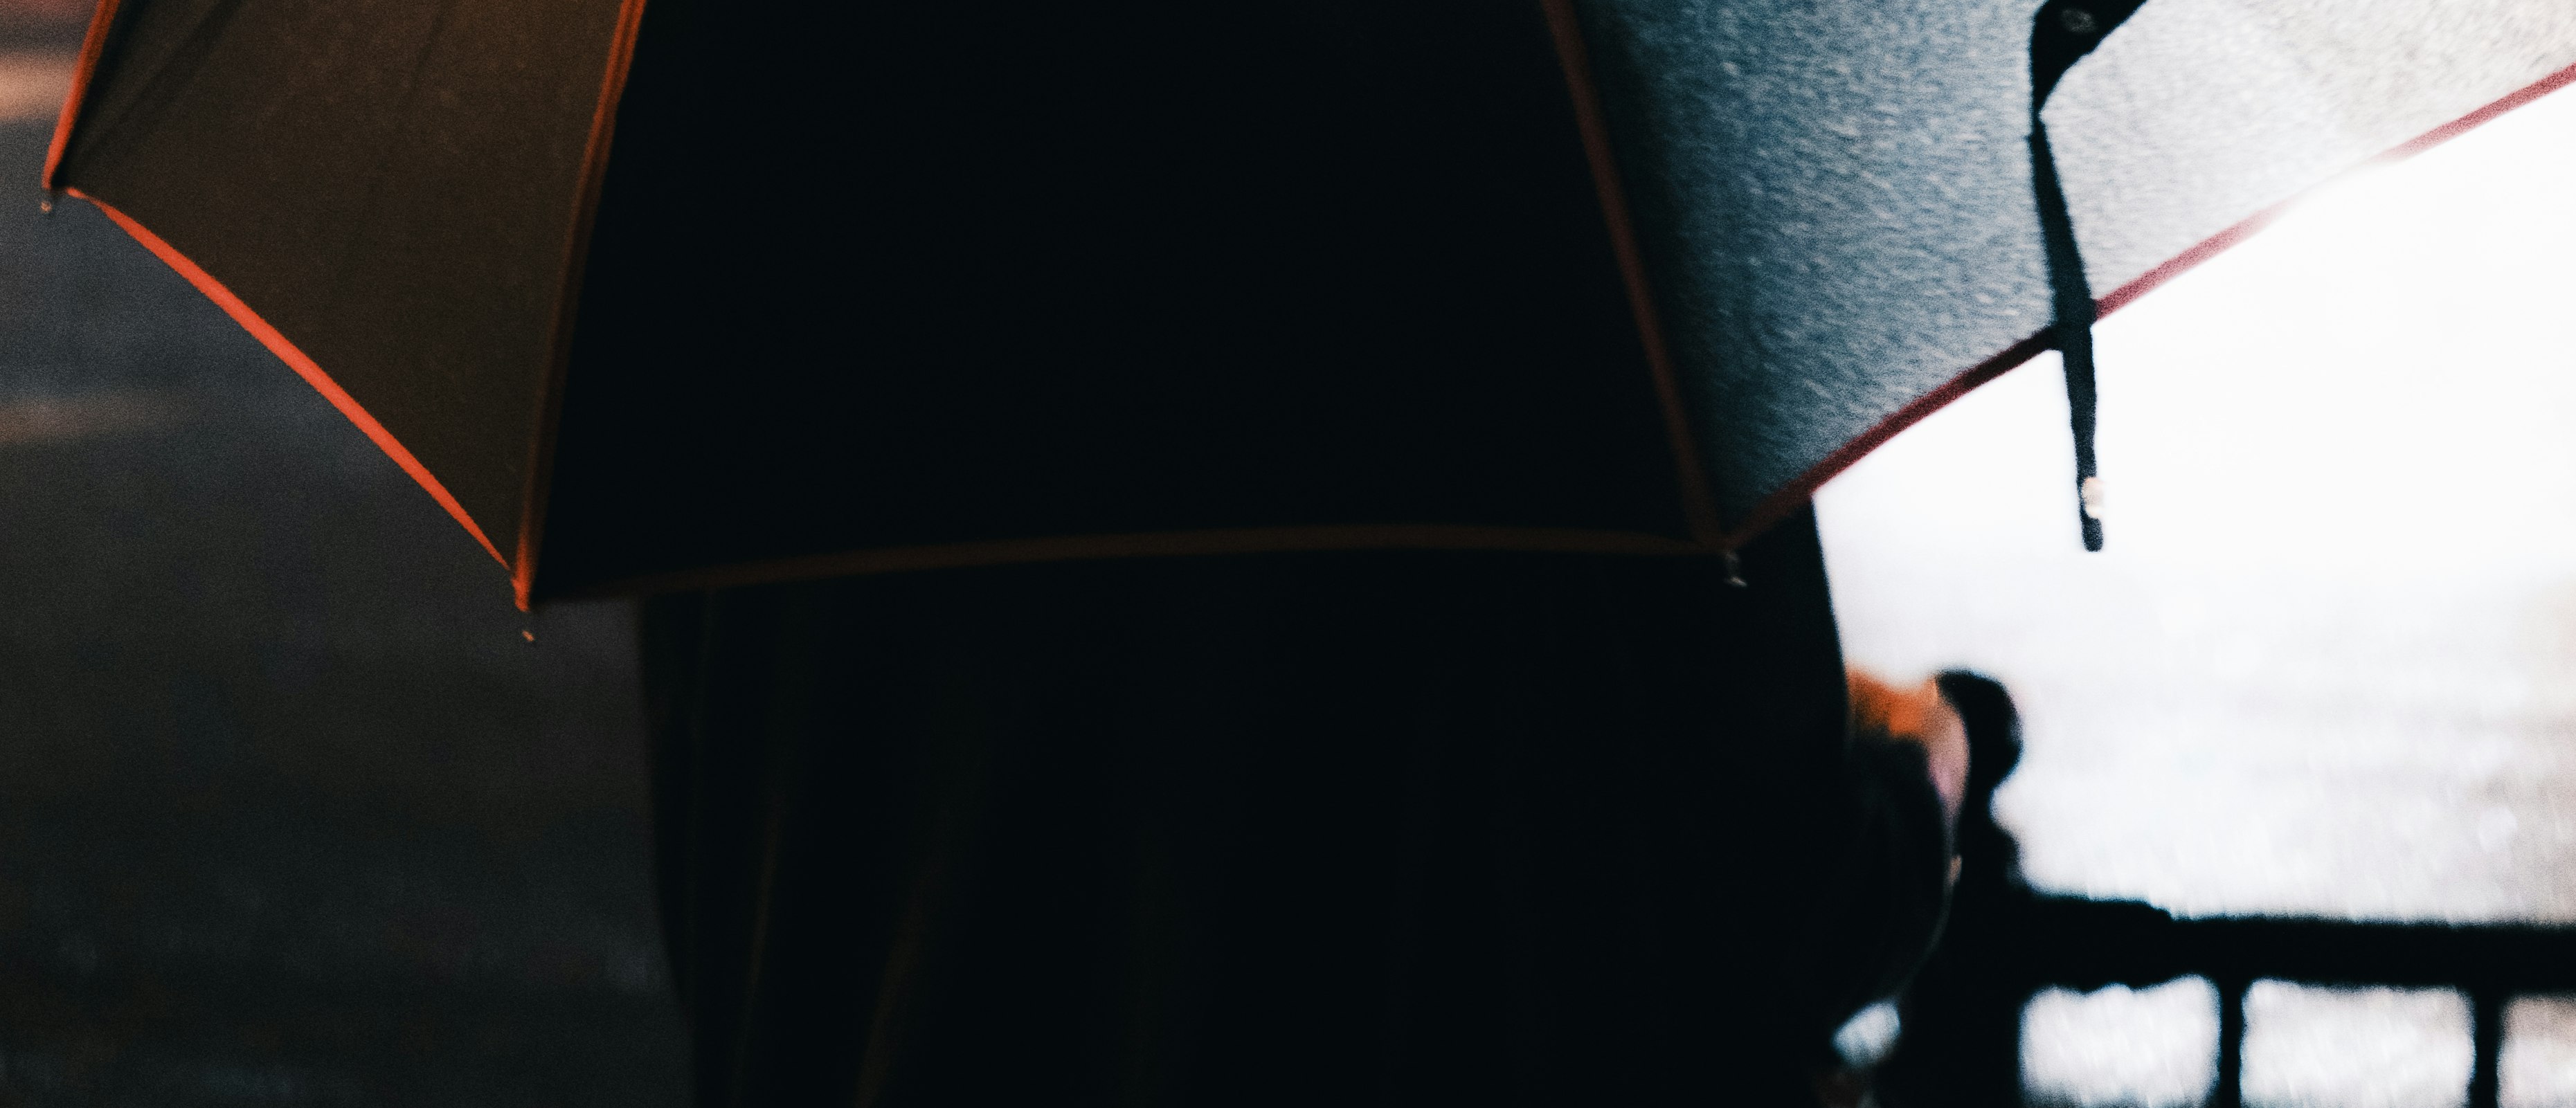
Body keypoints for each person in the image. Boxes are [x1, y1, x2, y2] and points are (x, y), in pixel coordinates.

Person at [639, 509, 1967, 1105]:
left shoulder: (768, 244)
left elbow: (731, 909)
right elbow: (1801, 906)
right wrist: (1928, 754)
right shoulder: (1571, 199)